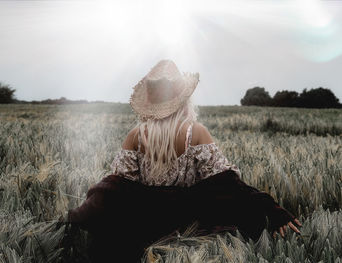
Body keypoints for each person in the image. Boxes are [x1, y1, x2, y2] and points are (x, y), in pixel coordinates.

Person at [67, 59, 302, 262]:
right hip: (191, 223)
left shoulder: (135, 136)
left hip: (142, 224)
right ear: (182, 97)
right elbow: (228, 185)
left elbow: (116, 188)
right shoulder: (195, 132)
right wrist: (272, 209)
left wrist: (80, 215)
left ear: (150, 102)